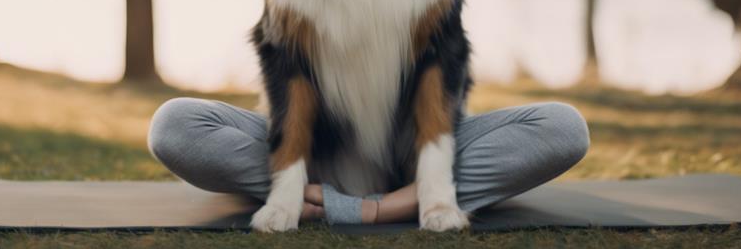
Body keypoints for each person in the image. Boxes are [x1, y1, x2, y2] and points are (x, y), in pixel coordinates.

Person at [147, 97, 589, 225]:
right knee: (174, 124)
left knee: (564, 127)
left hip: (420, 160)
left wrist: (375, 209)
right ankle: (298, 192)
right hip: (309, 154)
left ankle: (394, 201)